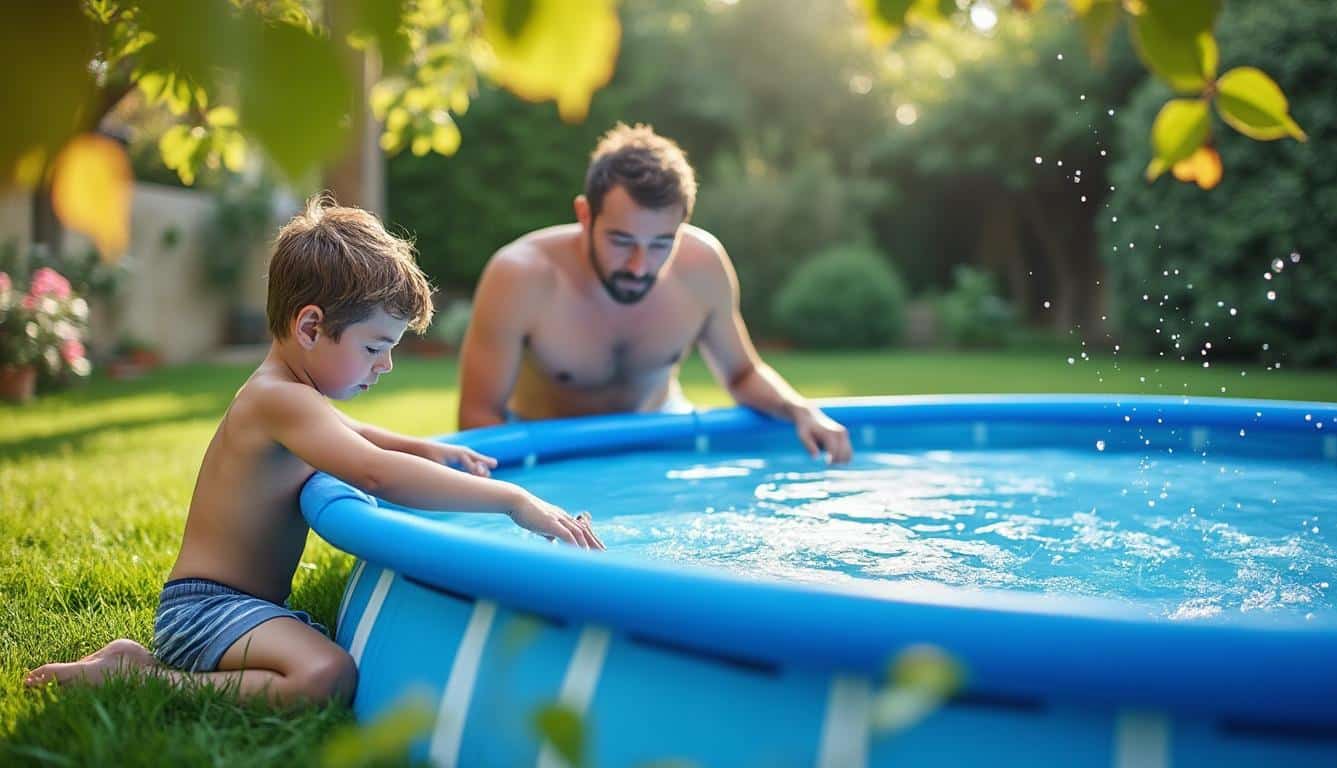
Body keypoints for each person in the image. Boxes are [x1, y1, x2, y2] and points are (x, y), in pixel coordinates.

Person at [24, 196, 602, 706]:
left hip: (229, 605)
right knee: (326, 674)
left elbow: (360, 436)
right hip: (205, 610)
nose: (387, 364)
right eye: (376, 345)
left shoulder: (291, 393)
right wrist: (511, 501)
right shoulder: (281, 400)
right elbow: (374, 473)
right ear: (309, 327)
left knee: (326, 659)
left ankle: (135, 662)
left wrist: (423, 448)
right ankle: (146, 679)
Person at [457, 123, 853, 463]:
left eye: (662, 243)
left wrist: (800, 410)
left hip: (659, 443)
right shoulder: (522, 276)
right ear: (584, 215)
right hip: (554, 452)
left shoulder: (702, 265)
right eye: (621, 240)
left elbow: (742, 373)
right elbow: (478, 414)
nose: (639, 265)